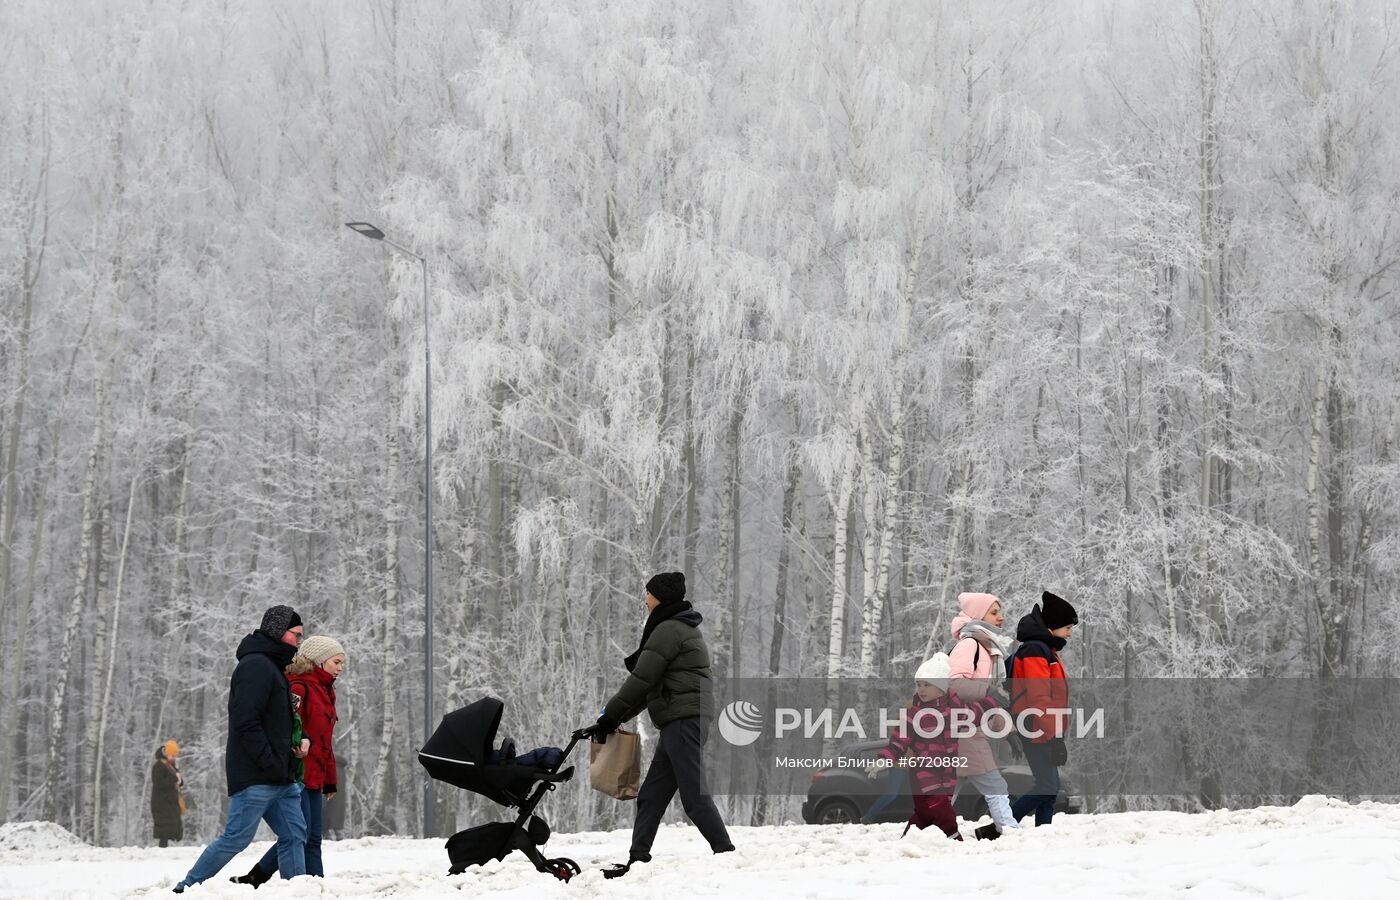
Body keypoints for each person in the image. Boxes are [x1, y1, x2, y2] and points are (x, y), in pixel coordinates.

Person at [588, 572, 733, 878]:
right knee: (652, 795)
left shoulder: (669, 628)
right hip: (678, 720)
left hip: (684, 720)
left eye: (649, 594)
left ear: (660, 598)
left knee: (693, 797)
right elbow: (650, 686)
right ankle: (637, 858)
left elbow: (641, 679)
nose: (645, 599)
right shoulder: (676, 626)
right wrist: (614, 718)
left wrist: (609, 716)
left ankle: (726, 854)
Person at [172, 605, 310, 893]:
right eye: (296, 634)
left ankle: (297, 892)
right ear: (277, 632)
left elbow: (280, 720)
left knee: (294, 834)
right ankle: (186, 889)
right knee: (236, 838)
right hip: (257, 775)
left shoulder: (273, 666)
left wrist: (300, 740)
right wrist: (270, 762)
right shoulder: (256, 666)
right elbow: (246, 722)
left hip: (280, 776)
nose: (299, 641)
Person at [233, 636, 345, 886]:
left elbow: (324, 742)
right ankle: (288, 882)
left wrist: (330, 780)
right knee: (299, 835)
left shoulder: (326, 690)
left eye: (342, 663)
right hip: (297, 774)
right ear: (319, 660)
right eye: (336, 662)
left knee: (311, 837)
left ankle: (313, 885)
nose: (340, 668)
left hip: (316, 775)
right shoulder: (298, 687)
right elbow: (287, 729)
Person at [867, 653, 999, 841]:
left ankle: (908, 840)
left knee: (924, 814)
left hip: (947, 772)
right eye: (919, 684)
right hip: (923, 773)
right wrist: (885, 758)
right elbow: (899, 740)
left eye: (927, 684)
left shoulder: (956, 711)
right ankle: (955, 839)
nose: (921, 689)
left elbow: (977, 713)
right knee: (941, 809)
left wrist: (994, 701)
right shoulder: (914, 714)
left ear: (942, 688)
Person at [947, 592, 1020, 841]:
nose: (1001, 617)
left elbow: (990, 702)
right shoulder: (970, 645)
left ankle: (932, 829)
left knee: (949, 786)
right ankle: (1008, 828)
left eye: (1000, 611)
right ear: (978, 615)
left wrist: (1008, 733)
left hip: (966, 727)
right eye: (994, 612)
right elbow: (954, 684)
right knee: (993, 782)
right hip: (962, 728)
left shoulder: (987, 648)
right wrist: (987, 689)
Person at [1007, 590, 1078, 827]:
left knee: (1050, 787)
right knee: (1047, 785)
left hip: (1042, 728)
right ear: (1053, 626)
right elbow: (1039, 700)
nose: (1070, 632)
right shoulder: (1036, 651)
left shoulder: (1045, 650)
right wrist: (1054, 737)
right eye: (1067, 627)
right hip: (1037, 728)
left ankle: (1043, 833)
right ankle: (1001, 825)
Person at [151, 740, 185, 847]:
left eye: (174, 756)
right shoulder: (159, 766)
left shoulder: (171, 766)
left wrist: (180, 781)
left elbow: (177, 781)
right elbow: (159, 783)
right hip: (161, 802)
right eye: (171, 755)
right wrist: (175, 779)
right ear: (166, 753)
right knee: (164, 827)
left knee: (173, 825)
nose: (173, 758)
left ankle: (169, 847)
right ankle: (163, 848)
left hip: (171, 802)